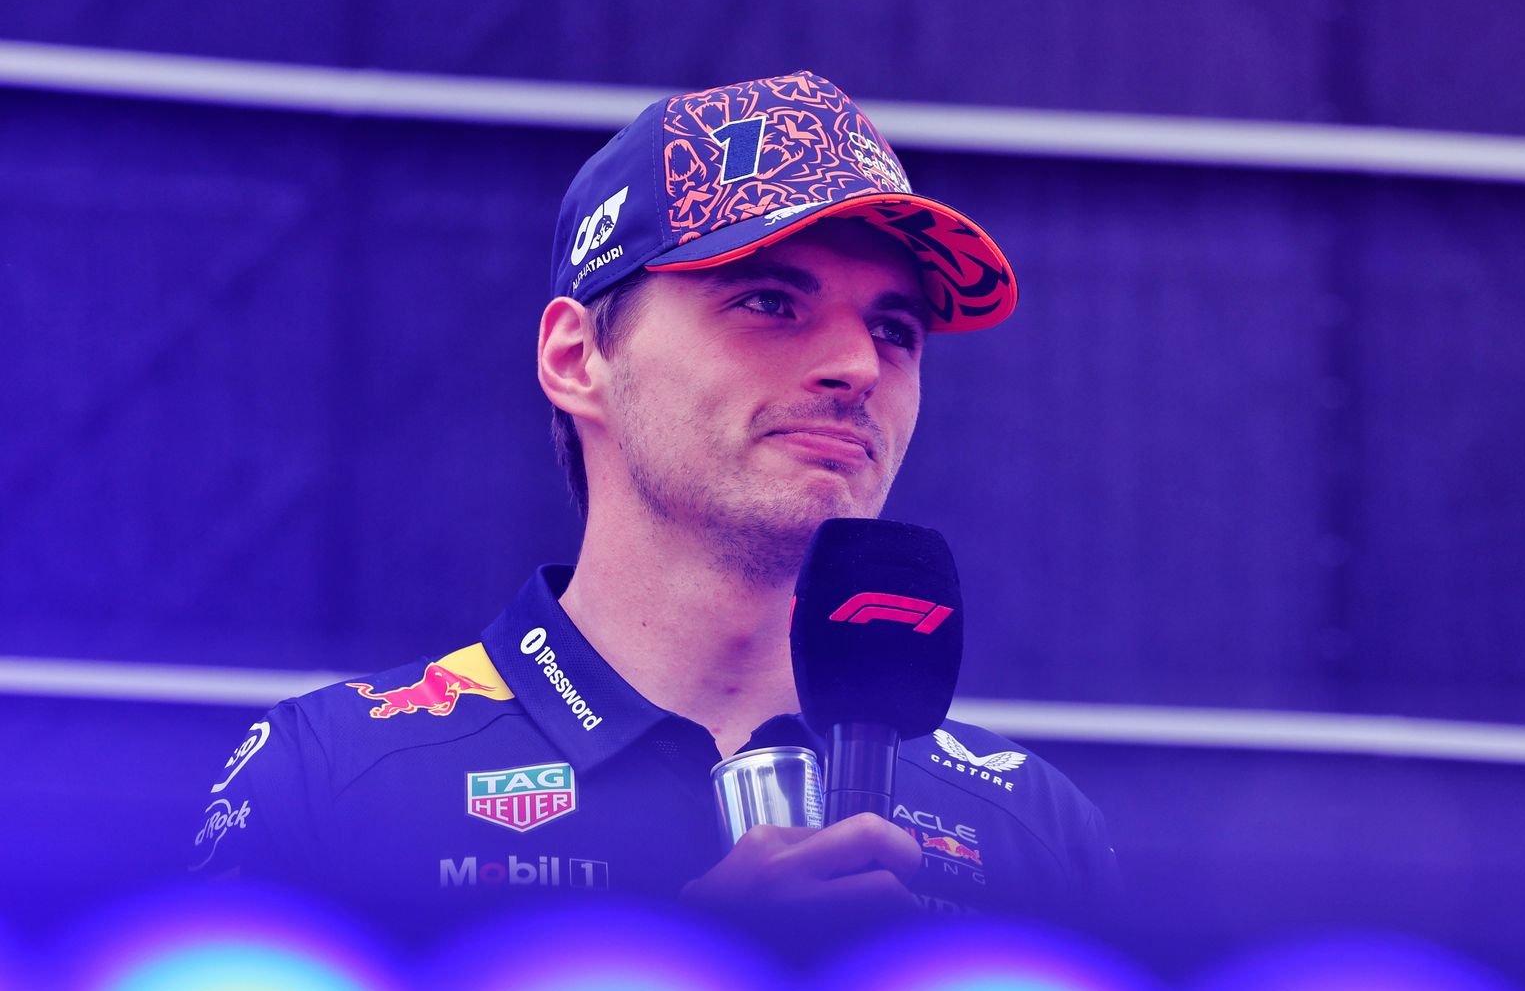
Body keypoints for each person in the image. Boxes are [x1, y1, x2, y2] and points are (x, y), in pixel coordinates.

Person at [188, 70, 1118, 933]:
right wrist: (691, 974)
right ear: (576, 358)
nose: (858, 365)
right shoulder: (334, 775)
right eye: (769, 302)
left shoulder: (1034, 828)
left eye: (895, 329)